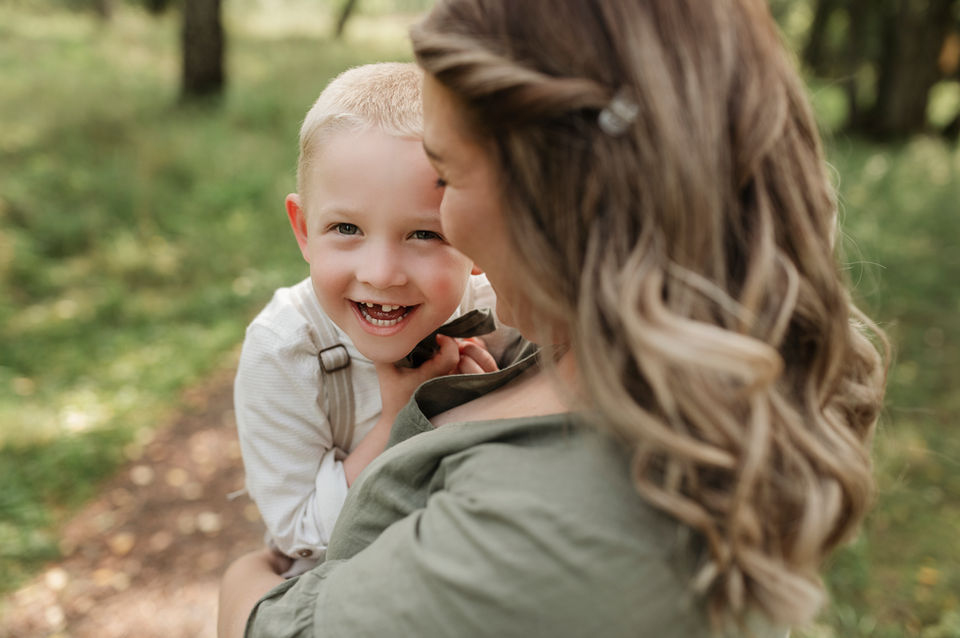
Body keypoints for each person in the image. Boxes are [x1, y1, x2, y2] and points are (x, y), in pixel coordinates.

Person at [219, 1, 888, 636]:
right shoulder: (694, 372)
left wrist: (242, 582)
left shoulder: (554, 522)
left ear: (553, 192)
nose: (441, 225)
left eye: (447, 178)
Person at [233, 62, 517, 577]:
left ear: (476, 236)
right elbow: (300, 534)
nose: (382, 274)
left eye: (424, 235)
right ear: (302, 229)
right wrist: (396, 421)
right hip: (342, 584)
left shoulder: (505, 307)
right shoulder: (283, 350)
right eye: (346, 227)